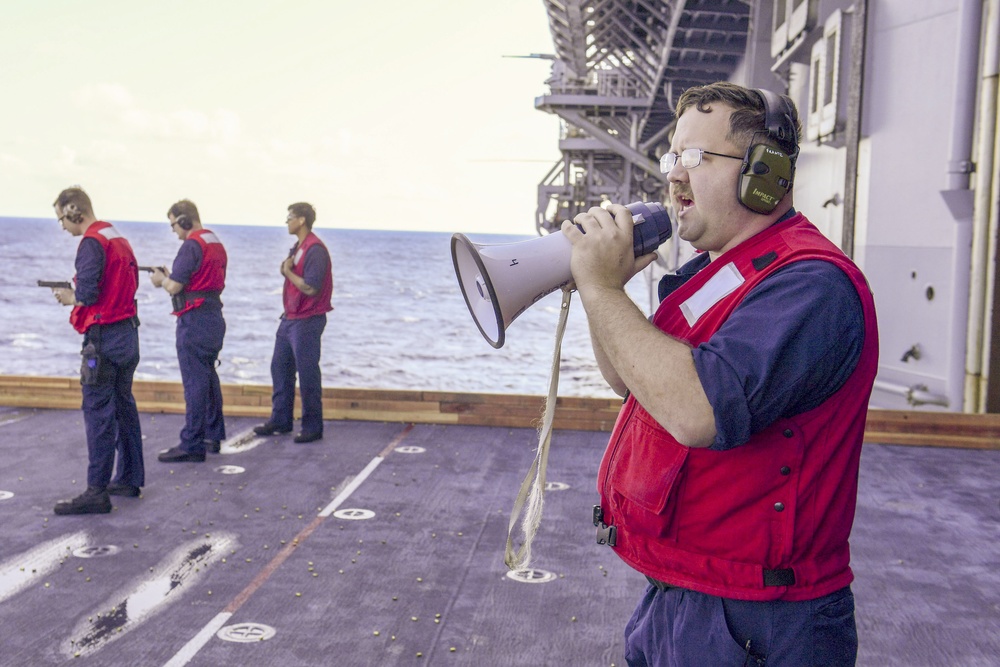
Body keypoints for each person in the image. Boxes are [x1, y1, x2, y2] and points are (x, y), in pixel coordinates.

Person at [561, 81, 878, 666]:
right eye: (672, 157)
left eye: (696, 158)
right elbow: (631, 383)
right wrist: (601, 290)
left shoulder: (810, 285)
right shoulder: (719, 277)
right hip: (686, 595)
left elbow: (696, 411)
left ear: (765, 172)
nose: (674, 176)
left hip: (763, 618)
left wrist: (601, 287)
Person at [49, 187, 145, 514]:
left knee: (98, 412)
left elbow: (88, 294)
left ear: (74, 210)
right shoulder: (115, 235)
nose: (62, 225)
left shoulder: (91, 242)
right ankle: (130, 478)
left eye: (62, 217)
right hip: (128, 334)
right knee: (122, 406)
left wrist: (69, 297)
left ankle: (96, 491)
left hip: (103, 339)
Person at [150, 200, 228, 463]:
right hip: (213, 316)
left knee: (195, 383)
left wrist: (162, 280)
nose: (173, 230)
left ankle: (192, 443)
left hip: (194, 321)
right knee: (207, 377)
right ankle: (212, 435)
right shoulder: (213, 241)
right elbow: (197, 279)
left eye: (173, 224)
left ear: (184, 220)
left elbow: (174, 287)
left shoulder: (191, 244)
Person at [253, 202, 333, 443]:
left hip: (307, 319)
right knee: (280, 367)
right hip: (290, 318)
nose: (287, 221)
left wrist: (288, 273)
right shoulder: (298, 247)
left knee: (308, 373)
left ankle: (312, 426)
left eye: (290, 217)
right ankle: (281, 419)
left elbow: (311, 286)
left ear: (301, 220)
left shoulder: (315, 249)